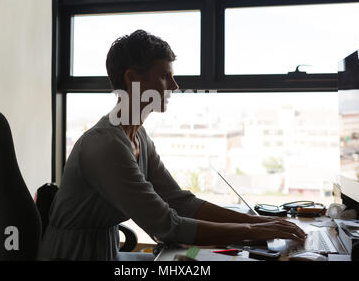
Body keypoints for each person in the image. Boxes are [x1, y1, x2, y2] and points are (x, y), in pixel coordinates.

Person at [38, 30, 307, 261]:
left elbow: (180, 202)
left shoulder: (139, 138)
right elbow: (166, 226)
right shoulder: (105, 145)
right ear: (132, 78)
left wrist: (260, 222)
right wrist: (252, 232)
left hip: (106, 252)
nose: (175, 86)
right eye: (165, 76)